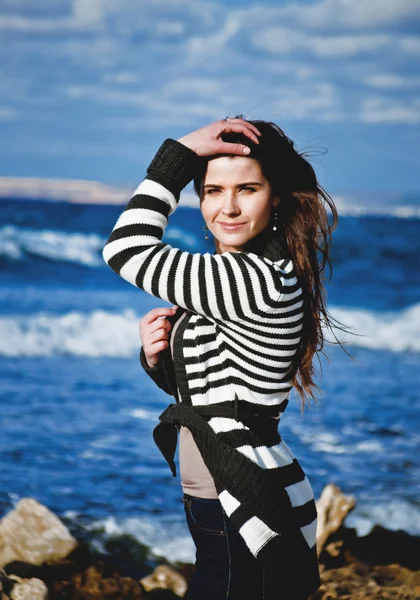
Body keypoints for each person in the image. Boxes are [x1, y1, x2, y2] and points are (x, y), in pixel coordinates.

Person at [102, 116, 340, 599]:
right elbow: (225, 387)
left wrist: (181, 152)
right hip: (238, 486)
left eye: (246, 189)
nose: (226, 207)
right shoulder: (257, 271)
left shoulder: (253, 278)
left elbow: (125, 247)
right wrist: (159, 361)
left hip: (241, 494)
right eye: (212, 191)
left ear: (275, 197)